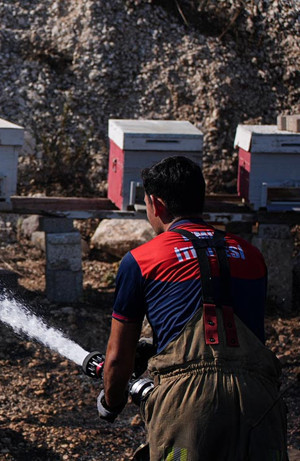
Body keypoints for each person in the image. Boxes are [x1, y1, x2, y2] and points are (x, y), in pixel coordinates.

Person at [96, 155, 287, 460]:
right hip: (260, 401)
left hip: (187, 406)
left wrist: (111, 402)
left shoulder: (142, 260)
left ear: (156, 205)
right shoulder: (251, 255)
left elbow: (118, 358)